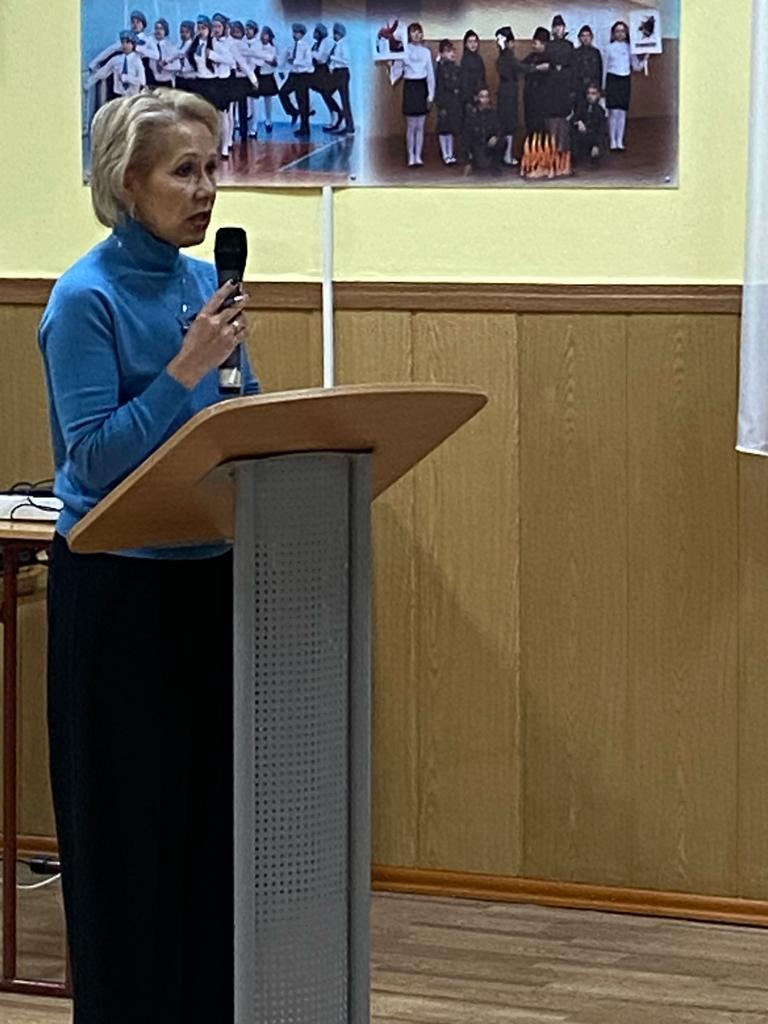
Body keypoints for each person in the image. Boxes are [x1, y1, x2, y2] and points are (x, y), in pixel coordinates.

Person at [39, 86, 259, 1024]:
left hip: (208, 580)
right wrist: (184, 369)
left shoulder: (201, 285)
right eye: (184, 171)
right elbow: (92, 458)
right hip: (119, 591)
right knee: (128, 840)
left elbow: (233, 418)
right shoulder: (82, 299)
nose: (206, 190)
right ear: (127, 183)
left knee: (206, 832)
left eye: (212, 169)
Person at [389, 22, 435, 167]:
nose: (416, 34)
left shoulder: (426, 52)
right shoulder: (404, 49)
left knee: (420, 125)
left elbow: (430, 75)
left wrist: (431, 95)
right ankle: (411, 156)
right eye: (413, 32)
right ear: (408, 34)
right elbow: (398, 69)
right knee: (411, 125)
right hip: (410, 87)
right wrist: (391, 68)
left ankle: (418, 156)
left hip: (422, 87)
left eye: (419, 32)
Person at [605, 20, 646, 150]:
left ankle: (620, 141)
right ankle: (612, 141)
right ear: (613, 33)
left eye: (622, 31)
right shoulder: (608, 48)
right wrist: (602, 86)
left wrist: (645, 58)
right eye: (617, 31)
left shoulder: (630, 48)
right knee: (613, 112)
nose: (620, 33)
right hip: (612, 79)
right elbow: (605, 67)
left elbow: (636, 67)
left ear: (626, 33)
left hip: (625, 80)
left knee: (622, 112)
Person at [495, 25, 531, 167]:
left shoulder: (503, 57)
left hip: (505, 91)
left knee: (506, 124)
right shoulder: (508, 57)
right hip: (508, 92)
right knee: (509, 124)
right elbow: (522, 68)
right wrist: (537, 68)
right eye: (511, 42)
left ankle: (506, 155)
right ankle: (507, 155)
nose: (513, 45)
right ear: (509, 43)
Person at [85, 30, 146, 99]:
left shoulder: (137, 61)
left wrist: (126, 78)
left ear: (133, 45)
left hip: (133, 96)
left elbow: (142, 81)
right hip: (118, 96)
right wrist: (88, 83)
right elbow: (103, 72)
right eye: (123, 42)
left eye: (128, 43)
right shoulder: (116, 60)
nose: (124, 45)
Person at [279, 23, 314, 137]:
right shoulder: (290, 46)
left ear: (302, 34)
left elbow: (308, 62)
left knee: (303, 102)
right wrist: (281, 69)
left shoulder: (306, 46)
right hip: (293, 74)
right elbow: (284, 59)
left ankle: (305, 128)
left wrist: (295, 61)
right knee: (282, 92)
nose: (294, 34)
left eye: (297, 32)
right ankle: (293, 111)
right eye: (294, 32)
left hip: (303, 75)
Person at [464, 86, 505, 173]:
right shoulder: (472, 116)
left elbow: (499, 128)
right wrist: (468, 161)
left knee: (502, 141)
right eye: (482, 97)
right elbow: (467, 138)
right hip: (478, 146)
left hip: (490, 144)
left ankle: (496, 165)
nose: (485, 100)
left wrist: (496, 137)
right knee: (481, 165)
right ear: (477, 98)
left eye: (486, 96)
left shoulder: (493, 113)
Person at [310, 23, 342, 130]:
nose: (314, 34)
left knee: (326, 95)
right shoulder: (316, 44)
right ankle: (335, 115)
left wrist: (311, 53)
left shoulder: (325, 43)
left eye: (316, 32)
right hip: (317, 70)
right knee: (324, 95)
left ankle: (337, 114)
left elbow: (320, 58)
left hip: (322, 71)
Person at [435, 38, 461, 165]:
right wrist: (440, 104)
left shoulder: (456, 67)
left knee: (451, 128)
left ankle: (451, 153)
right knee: (443, 128)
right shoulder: (440, 68)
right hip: (444, 101)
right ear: (441, 53)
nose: (451, 53)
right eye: (447, 51)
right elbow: (440, 87)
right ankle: (445, 154)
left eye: (452, 50)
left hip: (454, 101)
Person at [523, 27, 552, 137]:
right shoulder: (532, 56)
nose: (533, 46)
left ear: (544, 44)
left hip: (544, 101)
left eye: (535, 43)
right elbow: (522, 67)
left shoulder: (550, 57)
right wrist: (536, 68)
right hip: (530, 99)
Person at [326, 22, 354, 135]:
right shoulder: (337, 45)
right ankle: (339, 113)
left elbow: (346, 61)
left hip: (342, 73)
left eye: (336, 33)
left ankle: (349, 125)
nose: (334, 35)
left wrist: (333, 58)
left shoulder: (343, 45)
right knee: (326, 93)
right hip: (336, 73)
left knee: (344, 100)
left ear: (340, 34)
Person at [571, 81, 609, 165]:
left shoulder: (600, 111)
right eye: (588, 93)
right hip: (581, 135)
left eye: (593, 93)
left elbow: (602, 130)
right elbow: (573, 119)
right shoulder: (581, 106)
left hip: (593, 136)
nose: (590, 96)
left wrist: (597, 145)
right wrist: (578, 122)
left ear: (598, 95)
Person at [255, 25, 279, 135]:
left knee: (268, 100)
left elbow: (274, 62)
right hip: (258, 74)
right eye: (263, 34)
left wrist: (265, 59)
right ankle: (255, 122)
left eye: (266, 35)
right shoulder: (257, 46)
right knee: (255, 100)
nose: (264, 37)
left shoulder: (272, 48)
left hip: (268, 75)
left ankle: (268, 120)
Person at [459, 29, 486, 121]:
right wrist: (472, 97)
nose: (473, 44)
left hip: (480, 96)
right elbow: (464, 83)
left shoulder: (479, 58)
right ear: (465, 44)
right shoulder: (465, 60)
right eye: (470, 42)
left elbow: (483, 78)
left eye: (475, 41)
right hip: (469, 99)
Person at [572, 24, 603, 101]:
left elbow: (599, 71)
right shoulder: (575, 53)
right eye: (583, 36)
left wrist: (598, 88)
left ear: (591, 37)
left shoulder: (596, 52)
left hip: (593, 87)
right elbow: (573, 72)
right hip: (579, 86)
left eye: (588, 36)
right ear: (579, 38)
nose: (585, 38)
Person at [146, 18, 174, 87]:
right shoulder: (150, 46)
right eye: (156, 28)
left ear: (165, 31)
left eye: (161, 29)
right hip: (152, 82)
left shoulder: (170, 47)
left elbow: (177, 65)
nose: (158, 31)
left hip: (166, 82)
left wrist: (165, 64)